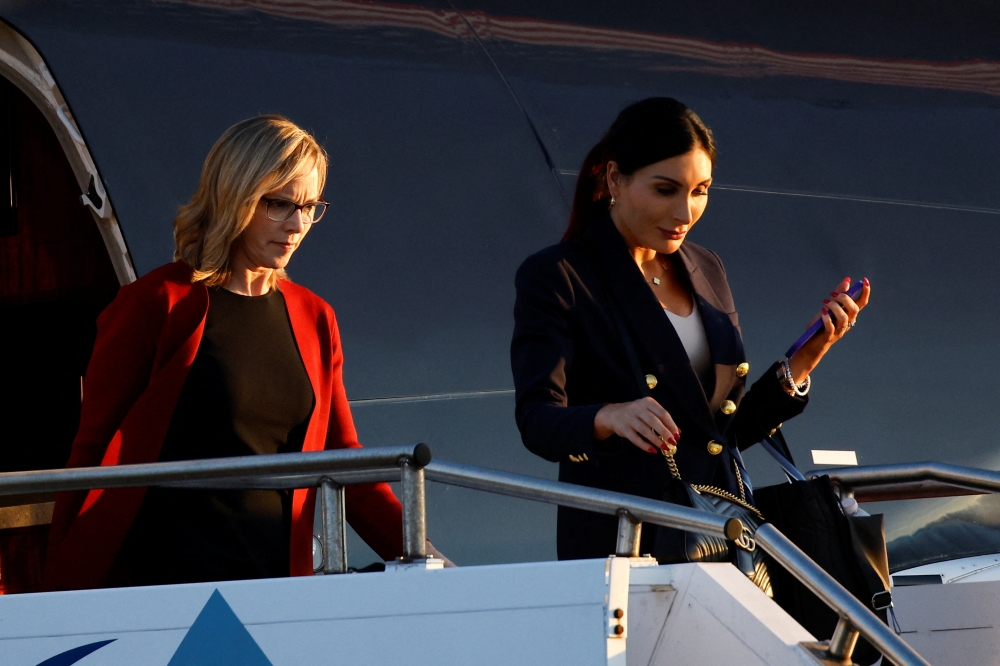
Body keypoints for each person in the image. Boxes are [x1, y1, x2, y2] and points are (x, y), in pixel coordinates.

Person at [44, 115, 448, 590]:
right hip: (168, 596)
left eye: (310, 206)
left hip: (279, 594)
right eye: (279, 204)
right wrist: (59, 596)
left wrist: (427, 557)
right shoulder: (155, 306)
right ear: (235, 196)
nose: (297, 225)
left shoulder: (314, 317)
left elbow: (345, 463)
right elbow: (92, 455)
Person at [510, 98, 870, 560]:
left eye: (700, 190)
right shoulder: (560, 275)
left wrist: (809, 354)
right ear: (615, 178)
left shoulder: (705, 266)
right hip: (628, 552)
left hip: (722, 543)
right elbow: (537, 420)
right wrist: (608, 416)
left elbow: (720, 434)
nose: (685, 211)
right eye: (665, 190)